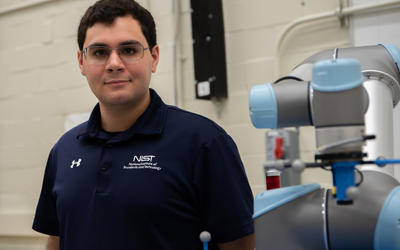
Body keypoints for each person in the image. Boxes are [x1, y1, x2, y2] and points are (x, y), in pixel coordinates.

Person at [32, 0, 254, 249]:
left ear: (154, 57)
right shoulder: (64, 150)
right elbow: (57, 240)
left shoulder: (203, 142)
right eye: (99, 52)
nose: (114, 63)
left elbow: (239, 244)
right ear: (81, 63)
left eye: (128, 50)